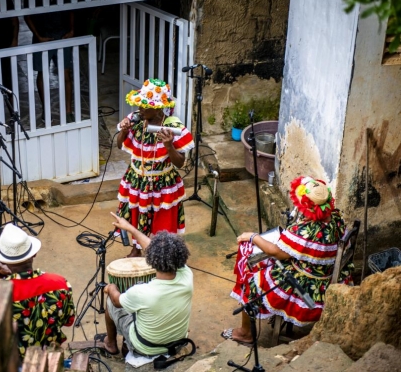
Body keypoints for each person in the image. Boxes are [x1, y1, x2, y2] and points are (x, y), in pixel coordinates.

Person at [222, 176, 352, 346]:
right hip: (326, 275)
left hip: (307, 286)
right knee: (262, 265)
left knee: (250, 280)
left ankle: (246, 333)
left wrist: (252, 236)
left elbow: (276, 252)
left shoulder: (306, 231)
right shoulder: (336, 218)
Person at [0, 224, 75, 358]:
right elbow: (68, 320)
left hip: (12, 360)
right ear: (34, 253)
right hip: (48, 357)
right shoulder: (61, 283)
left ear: (1, 259)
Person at [116, 78, 194, 257]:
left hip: (162, 182)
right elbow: (119, 145)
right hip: (137, 178)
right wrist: (124, 131)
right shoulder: (135, 120)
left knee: (162, 219)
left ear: (158, 108)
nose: (140, 109)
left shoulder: (173, 127)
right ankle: (136, 247)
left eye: (145, 106)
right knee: (137, 213)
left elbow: (180, 163)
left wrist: (169, 146)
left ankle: (161, 254)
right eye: (140, 104)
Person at [101, 213, 193, 357]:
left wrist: (110, 288)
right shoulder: (187, 276)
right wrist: (131, 229)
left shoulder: (142, 292)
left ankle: (111, 343)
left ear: (151, 258)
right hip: (177, 342)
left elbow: (117, 301)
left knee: (111, 302)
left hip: (146, 347)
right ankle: (125, 345)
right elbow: (156, 249)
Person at [24, 3, 75, 123]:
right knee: (42, 74)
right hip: (42, 36)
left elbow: (71, 9)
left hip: (63, 35)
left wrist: (72, 30)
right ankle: (46, 110)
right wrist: (37, 35)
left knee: (66, 73)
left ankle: (68, 111)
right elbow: (27, 15)